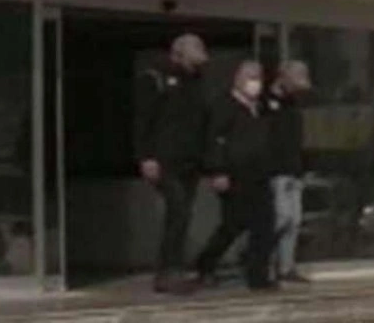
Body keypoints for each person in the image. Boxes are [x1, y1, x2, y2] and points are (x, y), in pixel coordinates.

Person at [134, 33, 209, 294]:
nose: (200, 56)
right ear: (179, 52)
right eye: (195, 50)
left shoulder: (196, 82)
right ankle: (167, 272)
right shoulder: (156, 78)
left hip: (190, 160)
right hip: (165, 159)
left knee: (183, 215)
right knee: (178, 211)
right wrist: (146, 157)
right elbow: (143, 119)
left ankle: (174, 270)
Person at [195, 60, 278, 290]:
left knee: (264, 226)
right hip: (234, 175)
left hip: (259, 174)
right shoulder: (224, 106)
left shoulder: (259, 108)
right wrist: (218, 171)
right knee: (233, 224)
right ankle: (205, 263)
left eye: (258, 78)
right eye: (250, 77)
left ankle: (258, 277)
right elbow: (214, 140)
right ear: (238, 79)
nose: (255, 83)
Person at [265, 60, 312, 282]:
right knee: (280, 218)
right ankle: (264, 261)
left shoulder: (293, 105)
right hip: (276, 170)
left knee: (294, 221)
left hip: (294, 170)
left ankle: (286, 266)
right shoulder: (268, 103)